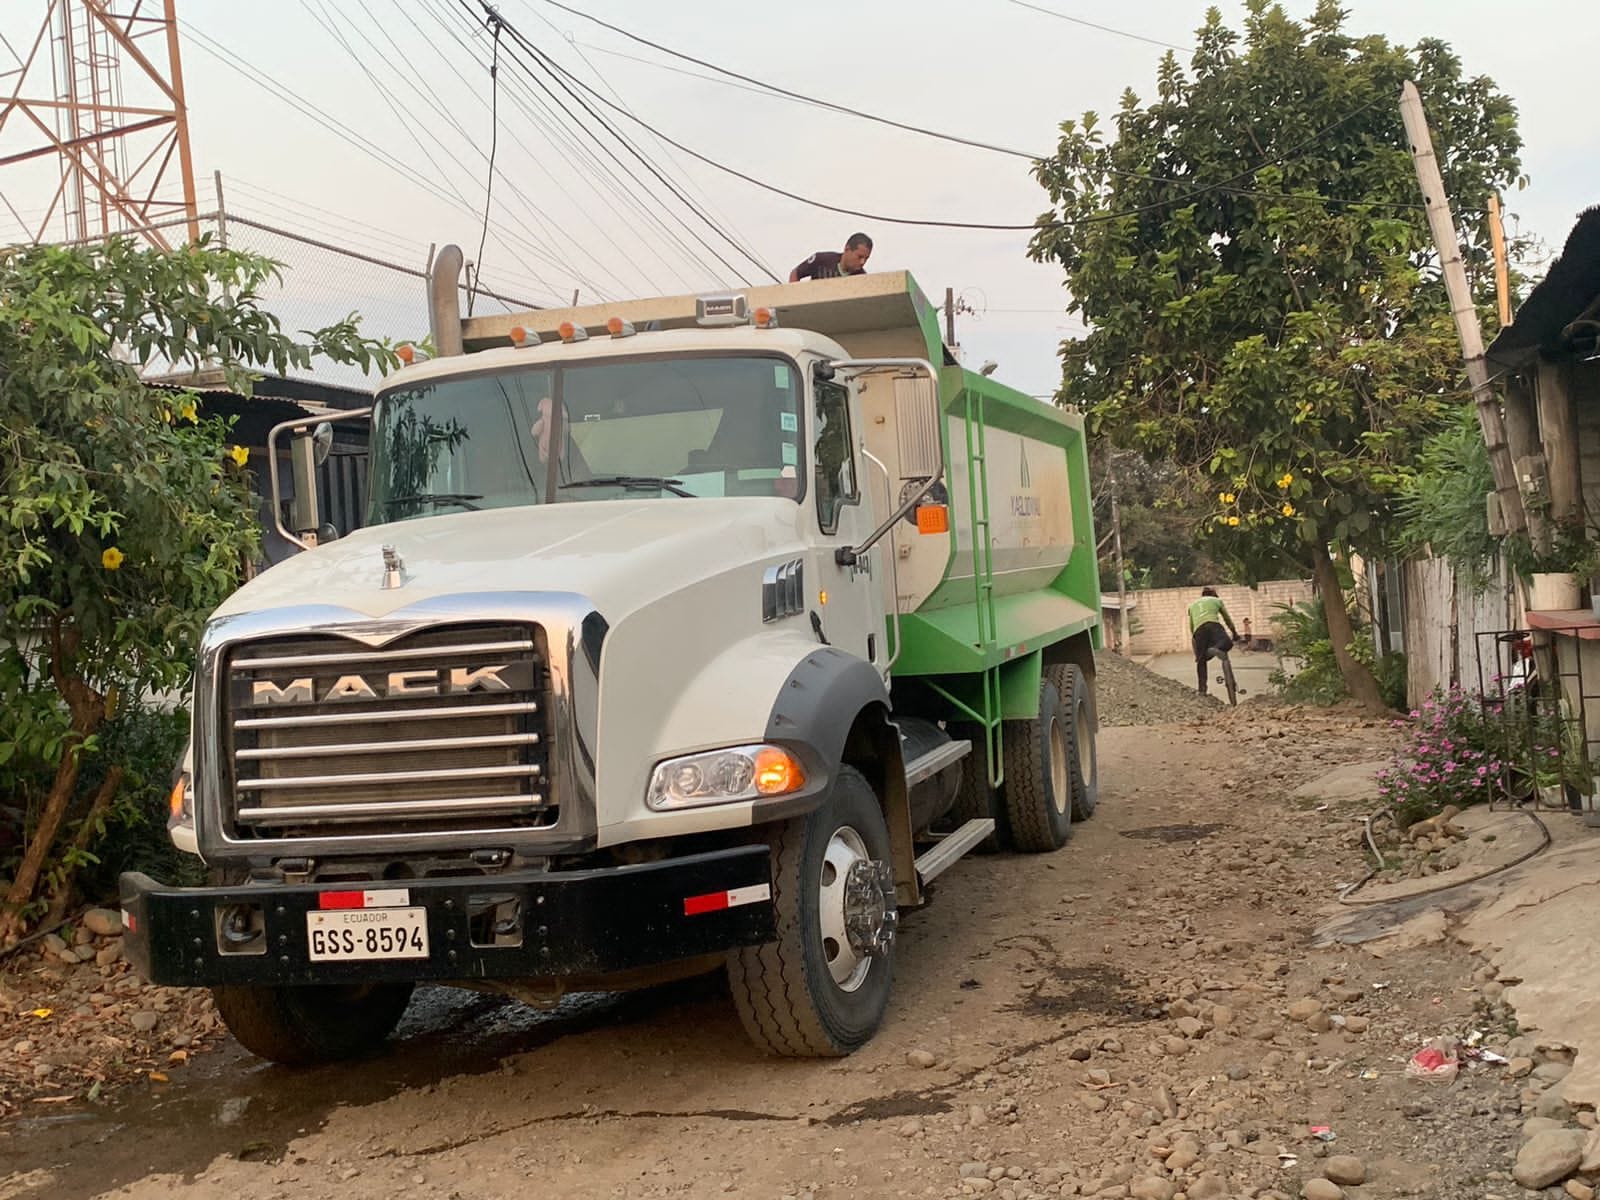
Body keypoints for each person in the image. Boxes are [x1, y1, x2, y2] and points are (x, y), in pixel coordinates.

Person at [1187, 586, 1238, 695]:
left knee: (1201, 661)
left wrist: (1198, 652)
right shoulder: (1216, 600)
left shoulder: (1192, 606)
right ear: (1214, 595)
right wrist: (1234, 633)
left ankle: (1202, 690)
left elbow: (1191, 627)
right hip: (1213, 625)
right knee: (1227, 643)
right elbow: (1227, 619)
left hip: (1198, 631)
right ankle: (1215, 649)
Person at [789, 233, 872, 282]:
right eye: (859, 257)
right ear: (847, 249)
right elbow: (796, 273)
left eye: (866, 258)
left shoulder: (862, 278)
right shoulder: (821, 260)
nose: (862, 262)